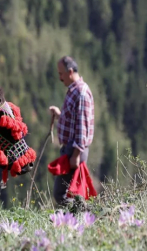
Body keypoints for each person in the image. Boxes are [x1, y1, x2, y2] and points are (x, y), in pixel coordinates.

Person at [49, 56, 95, 207]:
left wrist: (75, 155)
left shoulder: (80, 93)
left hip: (74, 150)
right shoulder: (74, 90)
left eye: (61, 74)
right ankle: (81, 217)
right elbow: (74, 119)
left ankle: (84, 215)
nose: (60, 77)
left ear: (70, 72)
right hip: (71, 148)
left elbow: (82, 126)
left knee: (60, 193)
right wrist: (59, 116)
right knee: (71, 192)